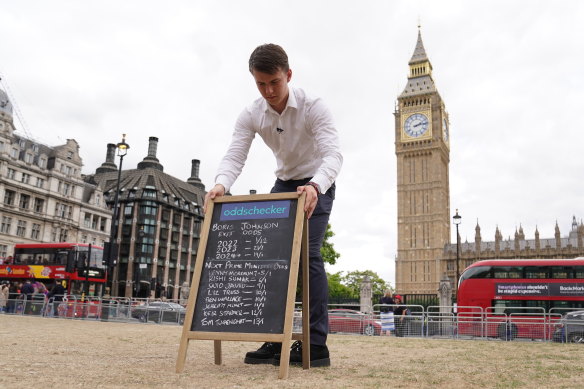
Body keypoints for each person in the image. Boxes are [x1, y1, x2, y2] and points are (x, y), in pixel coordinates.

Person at [204, 43, 342, 368]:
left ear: (288, 75)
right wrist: (221, 184)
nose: (268, 91)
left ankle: (316, 344)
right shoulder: (251, 113)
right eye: (260, 84)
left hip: (317, 181)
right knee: (270, 260)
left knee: (309, 255)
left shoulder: (314, 106)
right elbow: (236, 153)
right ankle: (274, 338)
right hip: (283, 184)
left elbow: (333, 154)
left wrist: (315, 186)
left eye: (274, 83)